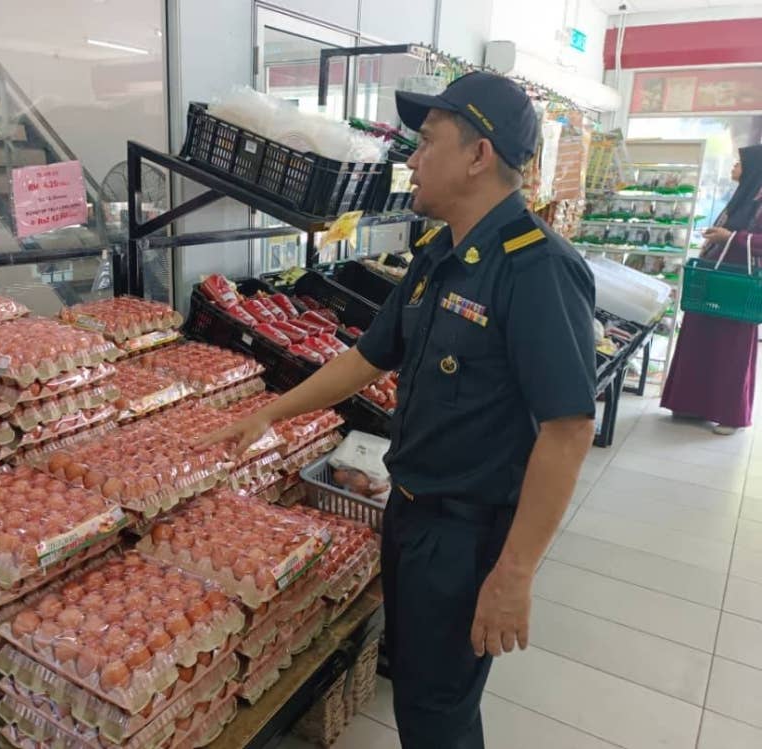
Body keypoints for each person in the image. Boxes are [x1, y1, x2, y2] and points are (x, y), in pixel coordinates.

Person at [204, 72, 595, 748]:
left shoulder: (536, 269)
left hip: (467, 538)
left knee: (436, 713)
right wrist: (272, 413)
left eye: (428, 142)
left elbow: (568, 429)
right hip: (410, 513)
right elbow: (367, 357)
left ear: (478, 155)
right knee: (421, 694)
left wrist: (514, 573)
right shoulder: (437, 255)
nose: (412, 159)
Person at [662, 144, 762, 435]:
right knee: (699, 334)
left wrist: (731, 237)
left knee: (732, 346)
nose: (734, 167)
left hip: (738, 283)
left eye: (740, 164)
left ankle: (730, 415)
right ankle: (690, 404)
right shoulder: (743, 196)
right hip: (713, 275)